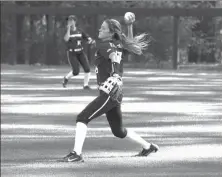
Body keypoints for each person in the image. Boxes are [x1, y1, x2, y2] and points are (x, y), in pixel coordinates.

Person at [62, 12, 159, 162]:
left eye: (103, 28)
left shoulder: (104, 44)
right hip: (115, 92)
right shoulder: (117, 43)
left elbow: (113, 56)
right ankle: (148, 147)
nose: (99, 30)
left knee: (82, 118)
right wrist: (130, 26)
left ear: (110, 33)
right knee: (118, 131)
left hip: (109, 93)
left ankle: (77, 154)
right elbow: (133, 47)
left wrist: (115, 73)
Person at [62, 15, 95, 90]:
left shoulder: (80, 30)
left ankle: (85, 85)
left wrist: (91, 40)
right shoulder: (66, 30)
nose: (69, 22)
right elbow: (66, 39)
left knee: (87, 69)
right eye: (68, 20)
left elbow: (86, 37)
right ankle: (66, 78)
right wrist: (68, 29)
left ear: (75, 21)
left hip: (80, 52)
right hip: (72, 53)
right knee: (76, 71)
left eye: (71, 20)